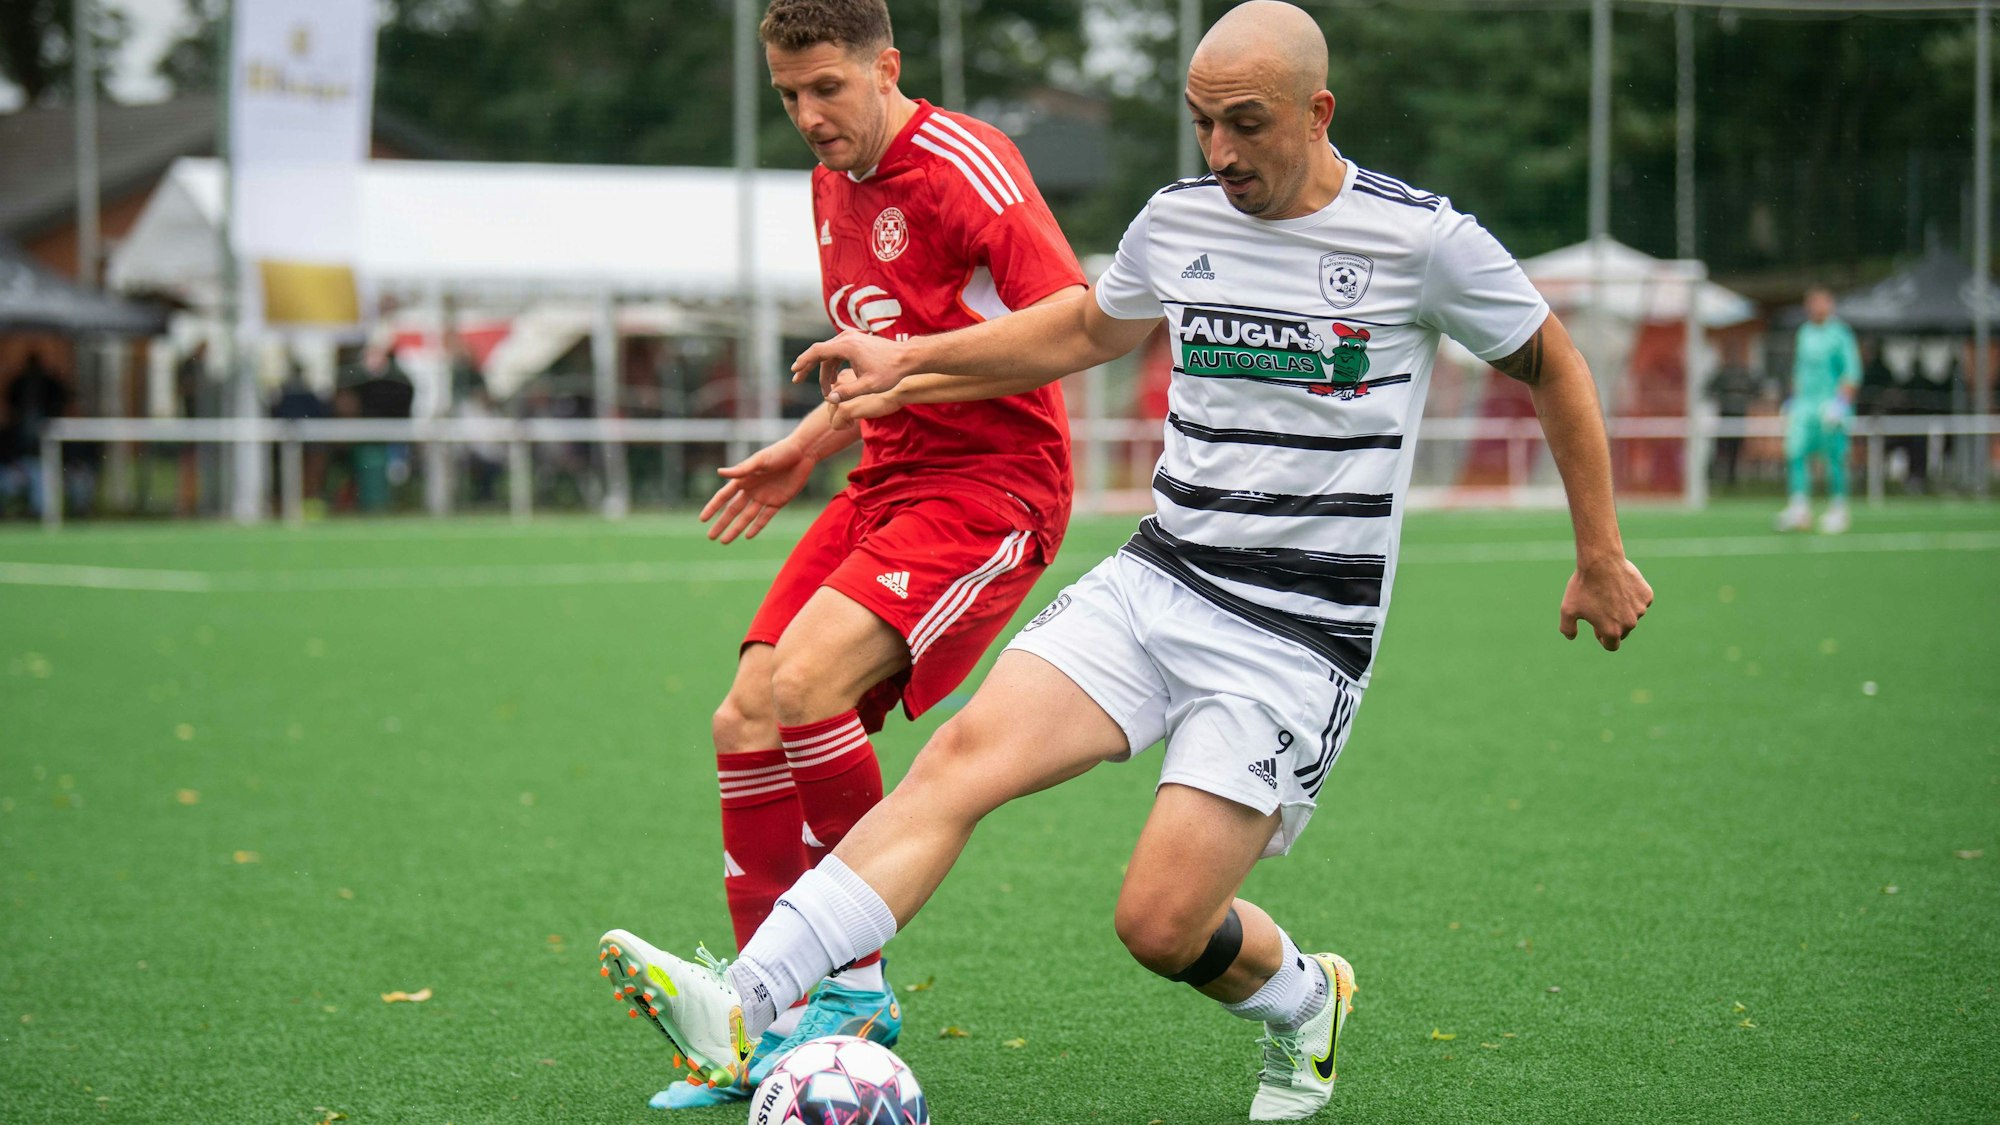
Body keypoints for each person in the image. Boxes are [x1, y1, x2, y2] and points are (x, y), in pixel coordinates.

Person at [600, 3, 1652, 1119]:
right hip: (1155, 582)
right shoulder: (1177, 219)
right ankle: (750, 998)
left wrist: (1598, 553)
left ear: (1316, 111)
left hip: (1293, 638)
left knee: (1158, 925)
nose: (1221, 153)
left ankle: (1301, 1002)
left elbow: (1555, 367)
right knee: (955, 764)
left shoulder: (1419, 239)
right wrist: (902, 364)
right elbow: (1074, 334)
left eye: (1245, 124)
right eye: (1202, 124)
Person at [600, 0, 1087, 1111]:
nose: (809, 117)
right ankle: (748, 1025)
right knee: (745, 716)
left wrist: (897, 378)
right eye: (787, 96)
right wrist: (805, 443)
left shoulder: (966, 162)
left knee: (806, 683)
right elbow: (875, 359)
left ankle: (849, 985)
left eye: (827, 89)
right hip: (883, 480)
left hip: (990, 485)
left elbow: (1068, 319)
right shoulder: (830, 183)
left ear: (885, 68)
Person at [1774, 287, 1861, 534]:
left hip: (1830, 404)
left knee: (1835, 457)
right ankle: (1799, 507)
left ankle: (1838, 508)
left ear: (1830, 304)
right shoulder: (1804, 333)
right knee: (1796, 452)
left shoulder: (1840, 334)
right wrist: (1792, 400)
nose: (1816, 308)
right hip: (1805, 405)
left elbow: (1851, 373)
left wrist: (1840, 404)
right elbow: (1799, 370)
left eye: (1820, 303)